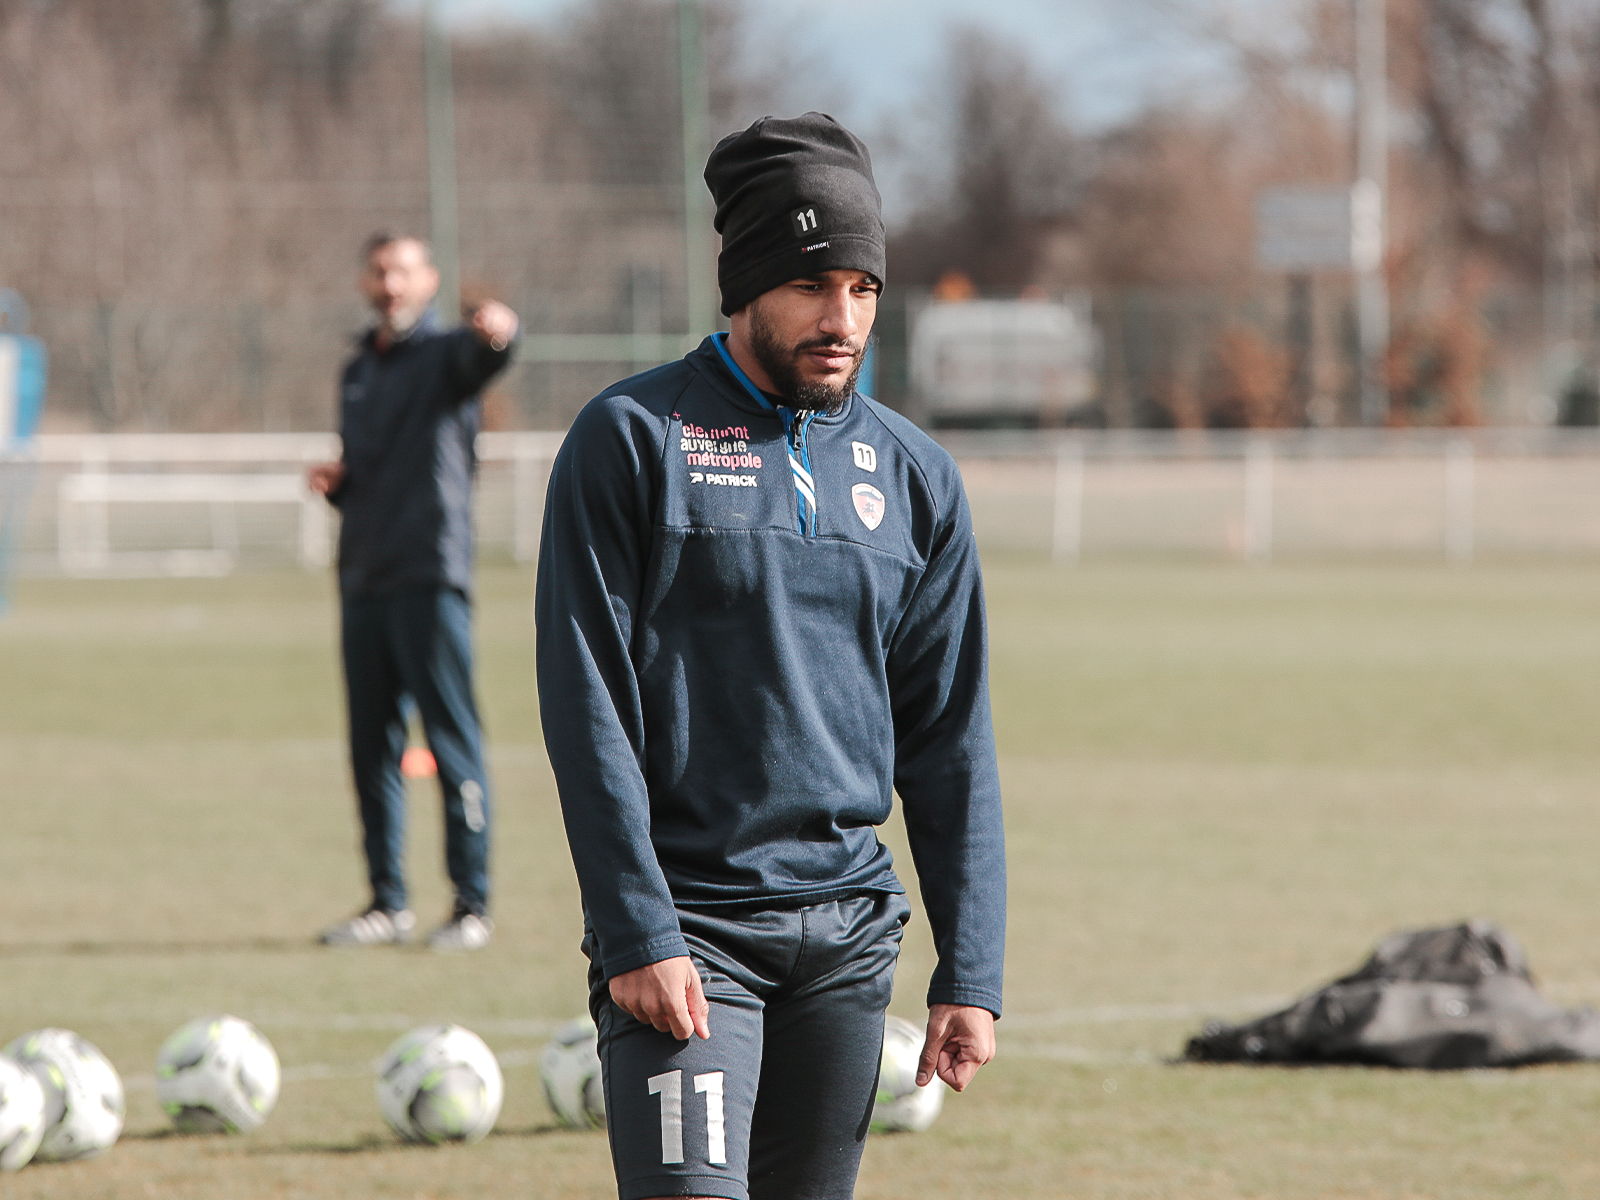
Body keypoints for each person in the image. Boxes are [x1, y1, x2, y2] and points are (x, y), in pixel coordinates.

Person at [536, 113, 1005, 1200]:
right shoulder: (631, 440)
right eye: (810, 285)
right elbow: (586, 704)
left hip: (847, 944)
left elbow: (950, 740)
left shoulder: (917, 477)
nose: (841, 319)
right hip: (690, 937)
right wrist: (637, 929)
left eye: (864, 288)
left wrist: (969, 968)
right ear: (741, 287)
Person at [309, 231, 519, 953]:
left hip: (431, 577)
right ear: (366, 283)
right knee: (371, 749)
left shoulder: (445, 357)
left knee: (453, 741)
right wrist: (340, 486)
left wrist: (500, 335)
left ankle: (472, 906)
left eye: (402, 271)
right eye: (378, 272)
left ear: (428, 280)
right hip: (363, 577)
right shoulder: (357, 370)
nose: (389, 284)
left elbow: (486, 355)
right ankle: (386, 903)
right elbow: (373, 471)